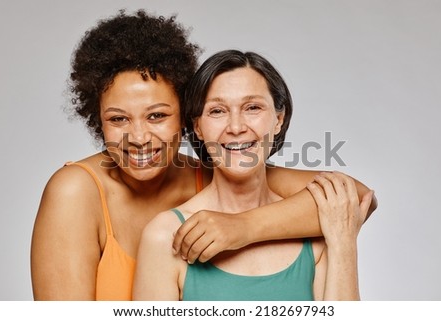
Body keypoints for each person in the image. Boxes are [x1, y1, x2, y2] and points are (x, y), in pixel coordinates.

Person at [31, 10, 377, 301]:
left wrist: (240, 228)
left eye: (157, 116)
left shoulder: (210, 173)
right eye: (118, 119)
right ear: (98, 119)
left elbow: (355, 197)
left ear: (186, 118)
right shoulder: (75, 191)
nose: (138, 137)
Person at [132, 50, 374, 300]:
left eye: (253, 107)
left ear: (278, 119)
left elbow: (361, 195)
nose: (236, 127)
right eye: (217, 111)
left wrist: (344, 244)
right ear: (198, 127)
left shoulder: (315, 229)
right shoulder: (165, 235)